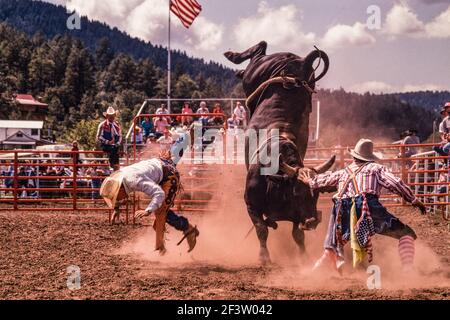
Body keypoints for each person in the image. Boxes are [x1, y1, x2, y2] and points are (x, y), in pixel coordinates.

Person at [283, 139, 427, 274]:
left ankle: (312, 276)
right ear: (370, 156)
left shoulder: (344, 171)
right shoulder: (376, 168)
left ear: (354, 156)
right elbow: (394, 183)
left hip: (341, 209)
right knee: (406, 234)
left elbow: (321, 181)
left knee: (331, 249)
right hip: (367, 205)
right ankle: (408, 271)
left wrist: (309, 181)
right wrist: (413, 199)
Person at [99, 151, 199, 254]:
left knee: (160, 212)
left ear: (119, 189)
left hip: (169, 176)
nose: (119, 200)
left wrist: (148, 210)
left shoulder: (135, 181)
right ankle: (163, 245)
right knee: (160, 214)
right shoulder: (122, 177)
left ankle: (181, 233)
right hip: (162, 167)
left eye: (116, 198)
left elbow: (159, 193)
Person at [97, 107, 122, 171]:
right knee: (114, 150)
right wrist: (108, 142)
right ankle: (112, 165)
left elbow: (120, 136)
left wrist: (118, 143)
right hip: (105, 145)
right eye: (110, 116)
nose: (112, 117)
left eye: (113, 115)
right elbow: (98, 136)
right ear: (107, 116)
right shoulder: (102, 125)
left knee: (115, 149)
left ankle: (115, 167)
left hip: (114, 145)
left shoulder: (117, 125)